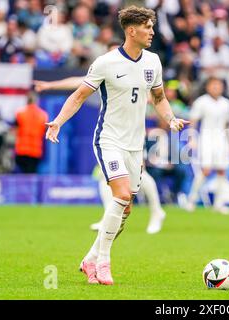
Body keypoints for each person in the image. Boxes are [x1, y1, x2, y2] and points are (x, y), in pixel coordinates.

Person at [44, 6, 189, 285]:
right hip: (109, 139)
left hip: (136, 145)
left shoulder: (153, 62)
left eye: (152, 26)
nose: (152, 32)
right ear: (131, 30)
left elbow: (158, 98)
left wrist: (170, 119)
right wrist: (58, 122)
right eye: (147, 27)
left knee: (126, 208)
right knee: (121, 196)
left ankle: (90, 258)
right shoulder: (106, 63)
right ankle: (104, 263)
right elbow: (78, 96)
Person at [34, 42, 167, 235]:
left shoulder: (142, 69)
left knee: (141, 175)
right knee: (103, 176)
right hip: (112, 134)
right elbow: (78, 83)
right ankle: (109, 217)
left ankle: (157, 211)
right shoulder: (106, 68)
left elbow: (153, 96)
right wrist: (50, 85)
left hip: (133, 134)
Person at [184, 77, 229, 215]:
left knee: (222, 171)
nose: (216, 88)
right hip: (206, 138)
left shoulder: (226, 103)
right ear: (208, 87)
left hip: (221, 139)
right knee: (205, 170)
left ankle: (219, 203)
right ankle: (191, 200)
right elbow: (193, 121)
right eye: (213, 86)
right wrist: (192, 138)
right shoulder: (201, 102)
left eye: (218, 85)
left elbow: (227, 124)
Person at [14, 92, 48, 173]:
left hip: (21, 150)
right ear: (37, 101)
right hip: (35, 151)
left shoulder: (20, 113)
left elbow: (15, 130)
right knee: (31, 175)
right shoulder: (43, 115)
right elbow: (44, 132)